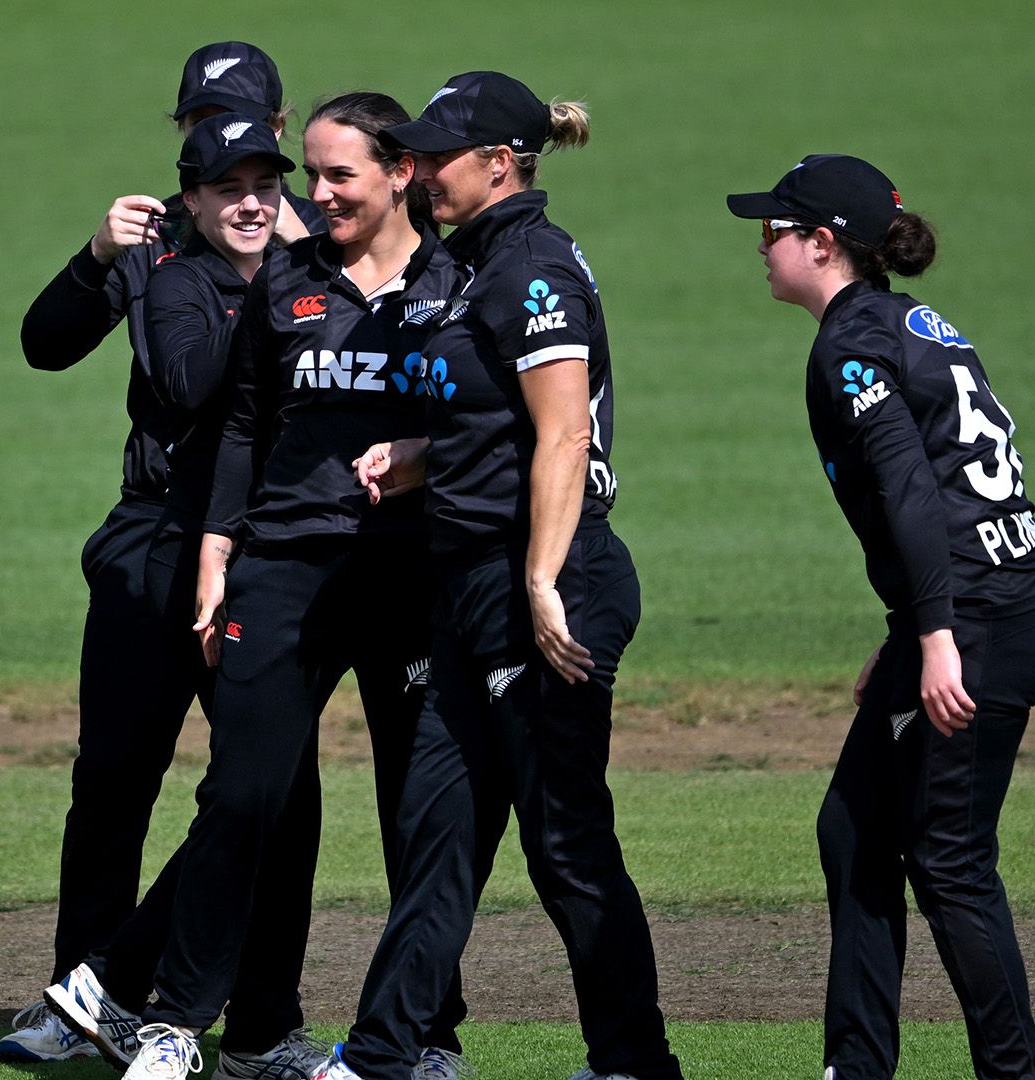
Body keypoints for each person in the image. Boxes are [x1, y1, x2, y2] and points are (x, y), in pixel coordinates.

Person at [49, 90, 464, 1080]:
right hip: (285, 566)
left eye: (336, 175)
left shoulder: (457, 282)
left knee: (420, 812)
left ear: (400, 174)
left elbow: (498, 419)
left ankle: (423, 1036)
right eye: (310, 174)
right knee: (244, 793)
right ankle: (176, 1023)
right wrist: (216, 550)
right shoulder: (290, 279)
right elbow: (239, 422)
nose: (316, 194)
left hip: (409, 573)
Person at [323, 72, 684, 1080]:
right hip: (476, 585)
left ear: (498, 163)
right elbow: (501, 422)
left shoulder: (530, 267)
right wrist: (419, 456)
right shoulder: (474, 262)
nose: (419, 172)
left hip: (550, 583)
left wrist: (540, 581)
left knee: (565, 844)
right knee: (437, 831)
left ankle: (633, 1062)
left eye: (436, 156)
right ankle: (383, 1055)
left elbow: (566, 434)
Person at [1, 41, 324, 1063]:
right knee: (113, 780)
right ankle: (80, 1004)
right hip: (155, 536)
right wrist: (96, 255)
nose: (222, 148)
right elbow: (46, 344)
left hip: (271, 548)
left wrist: (308, 260)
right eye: (199, 126)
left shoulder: (323, 248)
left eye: (244, 132)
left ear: (280, 133)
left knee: (274, 794)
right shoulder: (154, 247)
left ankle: (262, 1020)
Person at [726, 155, 1035, 1080]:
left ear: (822, 244)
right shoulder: (908, 322)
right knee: (854, 830)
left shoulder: (851, 346)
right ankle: (858, 1066)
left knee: (950, 859)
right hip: (989, 602)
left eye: (772, 230)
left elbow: (914, 493)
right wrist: (909, 633)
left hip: (981, 619)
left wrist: (934, 637)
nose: (760, 245)